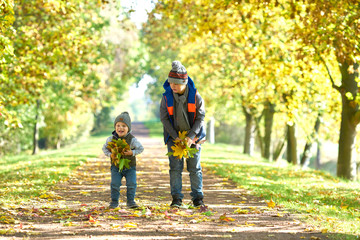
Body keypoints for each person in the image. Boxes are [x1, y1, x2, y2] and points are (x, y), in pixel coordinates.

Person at [160, 60, 206, 208]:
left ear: (185, 82)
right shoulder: (167, 97)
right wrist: (175, 136)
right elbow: (164, 118)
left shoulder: (196, 96)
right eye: (171, 83)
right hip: (174, 137)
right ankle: (176, 198)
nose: (173, 86)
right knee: (175, 168)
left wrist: (191, 136)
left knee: (194, 168)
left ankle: (197, 198)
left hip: (194, 137)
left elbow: (200, 118)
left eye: (176, 83)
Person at [102, 112, 144, 209]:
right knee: (115, 184)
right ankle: (114, 201)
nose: (120, 128)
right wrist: (110, 154)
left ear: (128, 128)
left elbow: (141, 148)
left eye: (124, 126)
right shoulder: (111, 139)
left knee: (132, 183)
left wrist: (132, 152)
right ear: (115, 127)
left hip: (130, 167)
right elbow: (104, 149)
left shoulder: (132, 140)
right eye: (118, 125)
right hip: (116, 167)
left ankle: (130, 201)